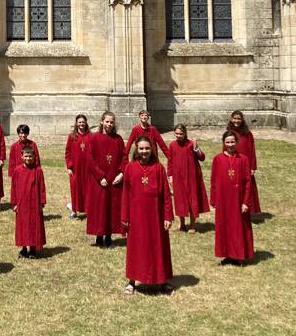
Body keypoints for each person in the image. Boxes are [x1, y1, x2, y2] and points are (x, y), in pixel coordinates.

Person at [121, 137, 173, 294]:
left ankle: (162, 281)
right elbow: (126, 194)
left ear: (152, 149)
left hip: (156, 216)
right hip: (136, 216)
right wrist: (125, 217)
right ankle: (132, 281)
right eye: (141, 148)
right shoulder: (130, 168)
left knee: (158, 247)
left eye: (147, 148)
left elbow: (166, 195)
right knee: (136, 248)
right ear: (137, 149)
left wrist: (167, 216)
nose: (144, 151)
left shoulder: (159, 168)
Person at [210, 131, 255, 264]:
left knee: (238, 227)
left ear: (236, 142)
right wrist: (213, 199)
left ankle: (238, 254)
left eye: (232, 142)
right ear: (224, 143)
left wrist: (246, 202)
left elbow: (248, 182)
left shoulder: (243, 159)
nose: (230, 145)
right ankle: (226, 254)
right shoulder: (217, 159)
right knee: (224, 227)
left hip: (238, 200)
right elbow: (214, 181)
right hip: (223, 200)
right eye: (227, 142)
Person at [85, 111, 126, 247]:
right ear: (102, 122)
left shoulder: (118, 139)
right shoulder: (94, 138)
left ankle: (108, 237)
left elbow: (124, 158)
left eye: (111, 122)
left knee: (111, 208)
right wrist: (100, 176)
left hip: (114, 179)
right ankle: (99, 235)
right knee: (100, 208)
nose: (109, 124)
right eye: (107, 121)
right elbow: (90, 159)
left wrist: (121, 174)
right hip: (99, 181)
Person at [167, 124, 208, 233]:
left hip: (191, 176)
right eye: (176, 133)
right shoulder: (172, 145)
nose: (178, 136)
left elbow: (202, 157)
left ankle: (192, 225)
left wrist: (196, 148)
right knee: (180, 200)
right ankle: (182, 225)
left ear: (185, 133)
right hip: (178, 176)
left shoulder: (191, 144)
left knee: (192, 199)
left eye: (180, 134)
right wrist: (170, 176)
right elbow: (170, 161)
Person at [11, 144, 46, 258]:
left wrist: (42, 203)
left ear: (34, 157)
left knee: (33, 225)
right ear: (22, 156)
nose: (28, 158)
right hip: (22, 203)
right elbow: (14, 187)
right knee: (23, 226)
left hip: (34, 203)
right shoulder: (17, 170)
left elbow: (42, 187)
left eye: (30, 156)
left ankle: (33, 249)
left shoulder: (38, 171)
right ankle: (24, 249)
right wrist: (14, 203)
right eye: (26, 156)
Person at [227, 110, 261, 214]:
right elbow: (225, 148)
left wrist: (253, 167)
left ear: (242, 120)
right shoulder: (229, 133)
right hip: (233, 162)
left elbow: (252, 150)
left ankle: (248, 209)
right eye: (235, 118)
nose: (236, 121)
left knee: (247, 186)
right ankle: (234, 208)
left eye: (239, 119)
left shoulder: (248, 134)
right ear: (231, 119)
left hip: (245, 163)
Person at [65, 114, 92, 218]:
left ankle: (89, 210)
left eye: (83, 122)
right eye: (79, 122)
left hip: (88, 168)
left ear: (86, 123)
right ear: (76, 123)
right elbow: (68, 152)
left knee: (88, 189)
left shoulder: (91, 136)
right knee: (75, 189)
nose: (81, 124)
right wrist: (69, 167)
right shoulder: (72, 136)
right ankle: (74, 211)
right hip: (76, 168)